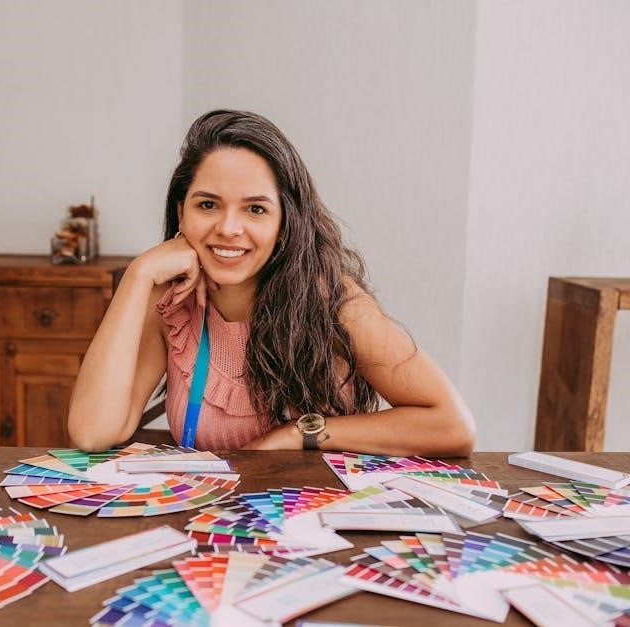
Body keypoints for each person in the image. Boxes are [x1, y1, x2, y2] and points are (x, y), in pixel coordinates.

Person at [67, 109, 475, 455]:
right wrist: (137, 276)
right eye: (207, 205)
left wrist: (299, 433)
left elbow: (452, 426)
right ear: (181, 212)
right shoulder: (170, 300)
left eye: (255, 209)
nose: (229, 228)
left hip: (311, 518)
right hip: (214, 519)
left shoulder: (331, 299)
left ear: (284, 222)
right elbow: (91, 432)